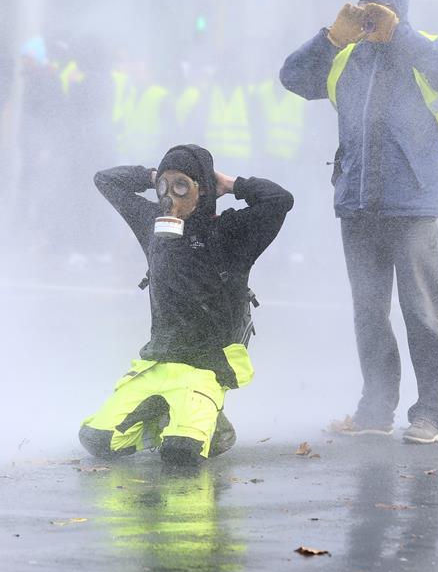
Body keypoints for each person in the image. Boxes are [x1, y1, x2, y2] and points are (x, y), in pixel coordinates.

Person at [280, 0, 438, 444]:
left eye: (381, 10)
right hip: (358, 205)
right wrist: (330, 36)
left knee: (422, 313)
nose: (372, 18)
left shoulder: (423, 48)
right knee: (369, 313)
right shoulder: (345, 57)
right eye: (366, 9)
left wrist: (398, 34)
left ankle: (428, 414)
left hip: (412, 206)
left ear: (400, 12)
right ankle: (375, 410)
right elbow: (293, 78)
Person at [79, 144, 293, 465]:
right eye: (164, 187)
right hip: (158, 361)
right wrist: (151, 176)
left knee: (181, 453)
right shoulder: (151, 224)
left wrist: (232, 184)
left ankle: (212, 427)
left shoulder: (230, 232)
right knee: (97, 440)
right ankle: (161, 419)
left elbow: (279, 200)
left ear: (203, 189)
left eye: (181, 186)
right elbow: (105, 180)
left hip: (206, 366)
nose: (170, 197)